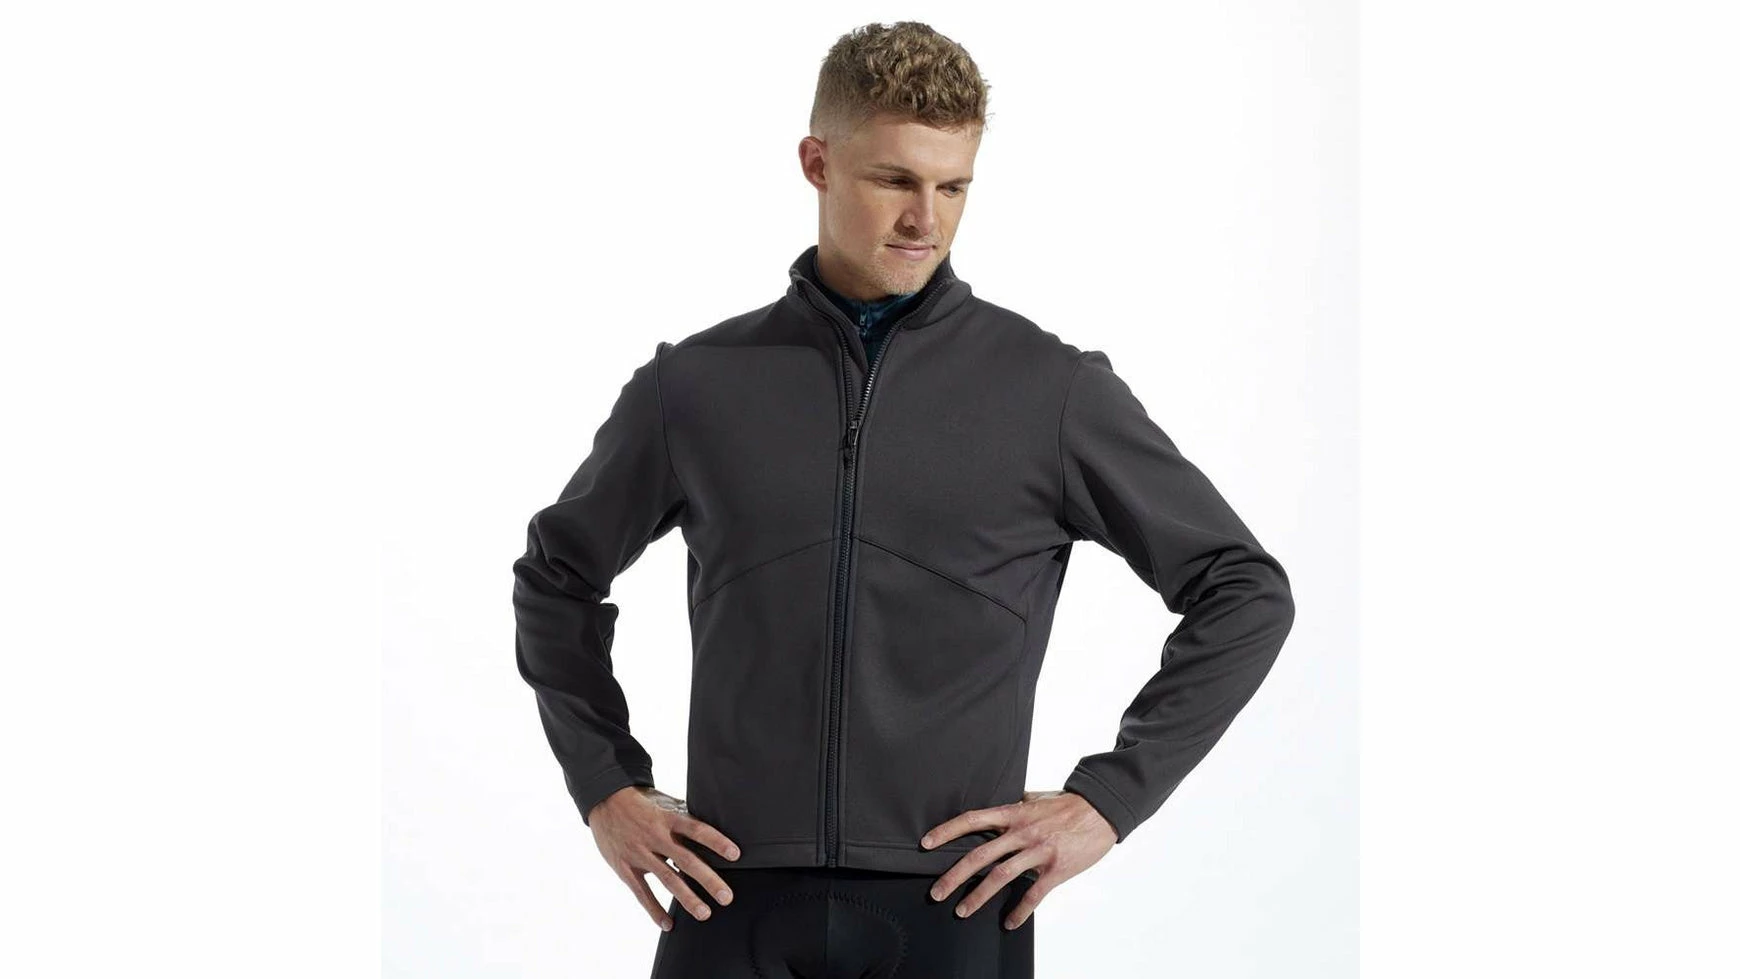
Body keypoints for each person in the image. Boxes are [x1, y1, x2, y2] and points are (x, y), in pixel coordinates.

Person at [511, 21, 1296, 978]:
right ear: (817, 163)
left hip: (952, 907)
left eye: (953, 187)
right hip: (729, 897)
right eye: (895, 180)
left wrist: (1109, 800)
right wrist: (605, 785)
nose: (926, 218)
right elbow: (555, 578)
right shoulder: (696, 386)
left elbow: (1244, 589)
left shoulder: (1049, 391)